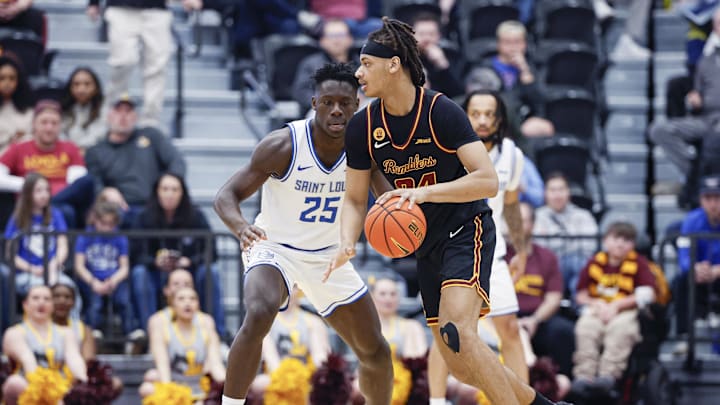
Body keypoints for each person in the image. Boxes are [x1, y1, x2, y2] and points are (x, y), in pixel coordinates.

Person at [328, 17, 567, 405]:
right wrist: (345, 241)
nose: (357, 73)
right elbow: (355, 199)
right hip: (426, 243)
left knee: (460, 332)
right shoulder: (362, 127)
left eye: (366, 64)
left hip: (465, 228)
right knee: (458, 362)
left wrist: (424, 194)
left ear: (393, 64)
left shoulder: (441, 111)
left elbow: (487, 180)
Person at [214, 63, 393, 405]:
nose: (336, 109)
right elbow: (226, 196)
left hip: (329, 255)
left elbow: (389, 202)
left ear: (357, 105)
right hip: (275, 248)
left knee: (376, 351)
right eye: (328, 102)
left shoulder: (364, 149)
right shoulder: (283, 145)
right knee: (260, 311)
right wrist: (240, 227)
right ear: (314, 103)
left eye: (345, 102)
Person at [428, 89, 528, 405]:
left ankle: (523, 400)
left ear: (499, 119)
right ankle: (437, 400)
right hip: (455, 249)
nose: (482, 120)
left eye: (489, 114)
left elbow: (511, 206)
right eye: (476, 113)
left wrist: (522, 250)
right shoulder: (448, 150)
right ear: (465, 115)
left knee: (510, 329)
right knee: (449, 331)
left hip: (492, 253)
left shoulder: (512, 155)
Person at [131, 173, 225, 337]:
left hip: (190, 273)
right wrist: (155, 261)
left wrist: (188, 262)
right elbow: (135, 254)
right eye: (165, 189)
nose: (170, 194)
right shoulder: (144, 217)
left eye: (175, 189)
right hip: (157, 274)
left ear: (182, 193)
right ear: (157, 192)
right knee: (139, 273)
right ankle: (149, 336)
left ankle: (218, 335)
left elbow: (211, 251)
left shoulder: (195, 216)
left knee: (211, 272)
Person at [572, 222, 656, 394]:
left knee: (621, 329)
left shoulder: (639, 263)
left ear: (633, 245)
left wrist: (617, 305)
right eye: (616, 238)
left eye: (626, 240)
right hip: (597, 308)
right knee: (585, 327)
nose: (620, 243)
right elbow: (580, 295)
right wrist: (597, 304)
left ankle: (608, 375)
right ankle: (584, 375)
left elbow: (648, 294)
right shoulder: (594, 262)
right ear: (605, 241)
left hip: (626, 310)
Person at [85, 95, 187, 226]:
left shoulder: (151, 136)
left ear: (135, 117)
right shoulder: (96, 151)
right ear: (109, 116)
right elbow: (94, 181)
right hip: (120, 209)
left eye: (128, 111)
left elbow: (177, 162)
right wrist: (104, 191)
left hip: (155, 206)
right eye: (118, 111)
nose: (123, 116)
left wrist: (168, 185)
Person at [0, 99, 95, 228]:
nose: (49, 128)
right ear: (34, 124)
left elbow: (77, 181)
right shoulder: (18, 148)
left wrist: (51, 196)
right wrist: (30, 186)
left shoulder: (70, 148)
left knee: (87, 182)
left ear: (60, 126)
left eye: (54, 123)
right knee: (66, 211)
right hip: (31, 203)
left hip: (63, 201)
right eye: (44, 122)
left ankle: (53, 203)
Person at [510, 202, 574, 377]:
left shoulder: (547, 257)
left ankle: (560, 384)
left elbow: (553, 297)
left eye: (521, 221)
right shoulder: (496, 256)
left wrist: (534, 320)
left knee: (562, 331)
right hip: (504, 318)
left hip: (537, 318)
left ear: (532, 224)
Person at [1, 285, 88, 405]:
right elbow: (28, 361)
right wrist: (49, 395)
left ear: (52, 306)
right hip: (28, 385)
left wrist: (84, 382)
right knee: (14, 383)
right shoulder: (14, 333)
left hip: (61, 384)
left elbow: (74, 358)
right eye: (36, 298)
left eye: (46, 299)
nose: (41, 302)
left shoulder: (66, 333)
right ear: (25, 304)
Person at [139, 287, 226, 401]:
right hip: (175, 385)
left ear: (198, 305)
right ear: (172, 305)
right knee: (148, 387)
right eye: (181, 299)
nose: (188, 302)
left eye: (192, 299)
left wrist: (229, 385)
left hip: (201, 385)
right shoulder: (163, 331)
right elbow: (162, 367)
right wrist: (171, 395)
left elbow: (216, 365)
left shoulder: (206, 330)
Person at [248, 287, 330, 399]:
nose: (288, 292)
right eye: (283, 286)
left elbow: (319, 356)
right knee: (259, 384)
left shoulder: (313, 321)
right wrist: (286, 380)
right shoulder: (266, 322)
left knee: (323, 383)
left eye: (293, 287)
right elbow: (271, 358)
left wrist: (318, 376)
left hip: (306, 375)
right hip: (276, 376)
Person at [50, 282, 124, 399]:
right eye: (57, 296)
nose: (62, 301)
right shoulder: (42, 327)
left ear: (74, 303)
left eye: (67, 297)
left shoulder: (83, 329)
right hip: (49, 378)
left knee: (115, 383)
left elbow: (88, 361)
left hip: (76, 377)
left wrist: (76, 378)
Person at [74, 200, 134, 338]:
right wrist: (93, 282)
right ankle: (92, 332)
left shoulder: (120, 238)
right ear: (95, 220)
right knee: (95, 304)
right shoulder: (85, 237)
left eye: (111, 224)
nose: (107, 228)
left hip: (114, 279)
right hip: (92, 278)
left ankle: (131, 333)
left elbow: (125, 267)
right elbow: (79, 265)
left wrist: (114, 280)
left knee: (124, 301)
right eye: (103, 224)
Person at [533, 172, 599, 297]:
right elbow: (537, 249)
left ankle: (579, 306)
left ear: (568, 192)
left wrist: (556, 244)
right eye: (552, 190)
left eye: (561, 189)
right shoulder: (536, 217)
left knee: (579, 262)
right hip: (545, 266)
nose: (557, 195)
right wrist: (569, 244)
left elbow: (589, 247)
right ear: (545, 194)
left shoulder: (583, 215)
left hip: (574, 264)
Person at [672, 174, 720, 336]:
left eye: (717, 198)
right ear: (701, 200)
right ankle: (684, 336)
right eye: (708, 198)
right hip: (701, 274)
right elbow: (683, 254)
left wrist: (717, 270)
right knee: (681, 281)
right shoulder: (692, 220)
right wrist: (695, 267)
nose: (713, 204)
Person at [292, 19, 355, 113]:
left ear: (350, 39)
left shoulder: (361, 63)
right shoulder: (310, 64)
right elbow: (301, 92)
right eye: (332, 36)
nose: (337, 40)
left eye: (341, 35)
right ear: (322, 41)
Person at [370, 276, 428, 359]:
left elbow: (419, 360)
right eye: (382, 294)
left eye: (393, 294)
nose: (388, 298)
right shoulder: (366, 328)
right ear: (372, 297)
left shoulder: (412, 326)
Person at [412, 12, 463, 98]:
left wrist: (442, 64)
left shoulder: (452, 56)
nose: (426, 39)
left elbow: (458, 94)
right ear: (412, 35)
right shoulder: (404, 58)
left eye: (431, 34)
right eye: (421, 34)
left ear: (439, 36)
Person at [61, 67, 107, 151]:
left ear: (96, 88)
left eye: (87, 84)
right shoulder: (64, 109)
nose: (81, 89)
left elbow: (99, 136)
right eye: (76, 84)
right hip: (68, 155)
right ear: (70, 88)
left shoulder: (104, 108)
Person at [0, 55, 32, 155]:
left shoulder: (29, 109)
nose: (7, 83)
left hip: (23, 159)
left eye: (12, 78)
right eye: (2, 78)